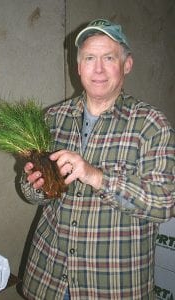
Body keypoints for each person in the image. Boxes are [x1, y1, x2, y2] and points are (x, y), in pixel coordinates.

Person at [20, 19, 175, 300]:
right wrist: (34, 184)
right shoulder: (52, 119)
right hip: (49, 277)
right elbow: (31, 193)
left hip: (111, 285)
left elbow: (164, 203)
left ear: (127, 65)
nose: (98, 69)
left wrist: (95, 176)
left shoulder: (151, 124)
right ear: (78, 67)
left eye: (109, 58)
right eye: (90, 58)